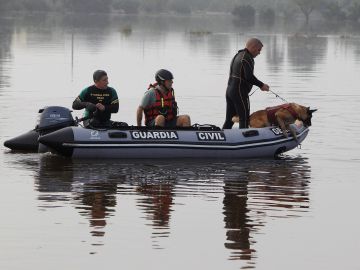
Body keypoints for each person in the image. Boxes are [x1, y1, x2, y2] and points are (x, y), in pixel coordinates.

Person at [222, 38, 270, 129]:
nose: (259, 52)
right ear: (253, 47)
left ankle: (221, 138)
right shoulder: (247, 57)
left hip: (230, 91)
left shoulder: (238, 55)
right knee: (243, 119)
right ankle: (244, 139)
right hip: (239, 92)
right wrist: (261, 85)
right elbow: (249, 77)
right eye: (259, 50)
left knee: (229, 120)